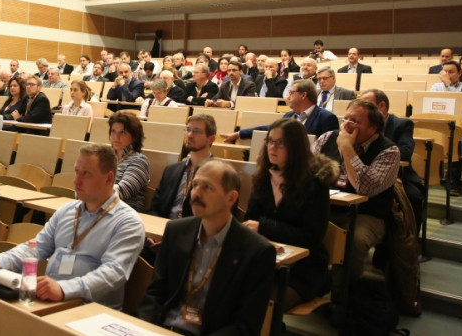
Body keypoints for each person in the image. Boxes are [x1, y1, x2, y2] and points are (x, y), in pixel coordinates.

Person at [0, 144, 145, 309]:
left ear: (108, 178)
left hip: (90, 310)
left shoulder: (127, 222)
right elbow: (36, 247)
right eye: (77, 171)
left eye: (86, 174)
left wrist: (64, 289)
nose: (76, 181)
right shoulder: (67, 211)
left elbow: (112, 273)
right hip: (50, 300)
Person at [138, 160, 276, 335]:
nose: (196, 193)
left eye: (207, 187)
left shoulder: (256, 251)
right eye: (195, 185)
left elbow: (245, 326)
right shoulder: (176, 231)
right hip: (163, 329)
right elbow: (155, 294)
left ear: (231, 198)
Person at [244, 119, 338, 310]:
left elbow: (311, 237)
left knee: (260, 301)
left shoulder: (315, 183)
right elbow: (249, 221)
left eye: (281, 143)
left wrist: (263, 226)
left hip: (303, 269)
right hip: (266, 260)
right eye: (270, 141)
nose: (272, 147)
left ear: (296, 147)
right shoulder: (263, 176)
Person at [312, 100, 400, 279]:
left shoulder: (389, 151)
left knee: (354, 239)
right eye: (345, 119)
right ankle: (313, 280)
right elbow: (308, 171)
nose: (347, 125)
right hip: (327, 207)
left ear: (373, 128)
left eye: (355, 121)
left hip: (367, 214)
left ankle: (344, 290)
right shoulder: (327, 137)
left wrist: (347, 148)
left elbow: (364, 189)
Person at [360, 89, 424, 229]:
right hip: (368, 172)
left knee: (413, 197)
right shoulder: (361, 124)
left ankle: (410, 238)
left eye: (367, 105)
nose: (362, 108)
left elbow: (405, 152)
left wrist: (381, 154)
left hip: (400, 175)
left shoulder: (402, 124)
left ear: (382, 105)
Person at [224, 79, 339, 143]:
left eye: (291, 93)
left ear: (303, 95)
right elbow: (269, 128)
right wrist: (238, 134)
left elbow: (329, 151)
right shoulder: (289, 115)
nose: (287, 97)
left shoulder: (327, 118)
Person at [149, 113, 216, 220]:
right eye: (188, 130)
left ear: (211, 139)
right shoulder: (171, 170)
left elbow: (217, 218)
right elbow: (154, 209)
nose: (190, 135)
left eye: (196, 131)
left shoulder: (219, 175)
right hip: (163, 227)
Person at [108, 112, 150, 212]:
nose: (116, 137)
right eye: (113, 131)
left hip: (125, 214)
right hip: (102, 209)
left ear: (134, 136)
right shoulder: (105, 157)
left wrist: (92, 192)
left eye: (122, 132)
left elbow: (123, 191)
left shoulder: (139, 160)